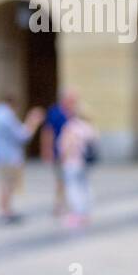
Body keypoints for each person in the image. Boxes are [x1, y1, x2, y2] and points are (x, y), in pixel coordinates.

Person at [0, 95, 44, 222]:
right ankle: (5, 211)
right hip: (10, 156)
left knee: (5, 183)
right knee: (8, 184)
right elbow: (22, 136)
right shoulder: (6, 116)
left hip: (1, 155)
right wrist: (32, 122)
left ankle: (5, 210)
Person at [57, 105, 99, 229]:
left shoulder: (71, 127)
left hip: (72, 162)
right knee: (85, 187)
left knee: (73, 189)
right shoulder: (89, 128)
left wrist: (64, 156)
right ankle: (85, 213)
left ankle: (77, 214)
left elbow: (66, 145)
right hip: (85, 163)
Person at [41, 88, 78, 216]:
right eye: (72, 98)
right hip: (59, 152)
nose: (75, 101)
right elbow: (48, 131)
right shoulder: (55, 112)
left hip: (73, 154)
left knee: (70, 180)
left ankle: (68, 204)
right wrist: (47, 149)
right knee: (61, 180)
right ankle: (59, 205)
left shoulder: (73, 113)